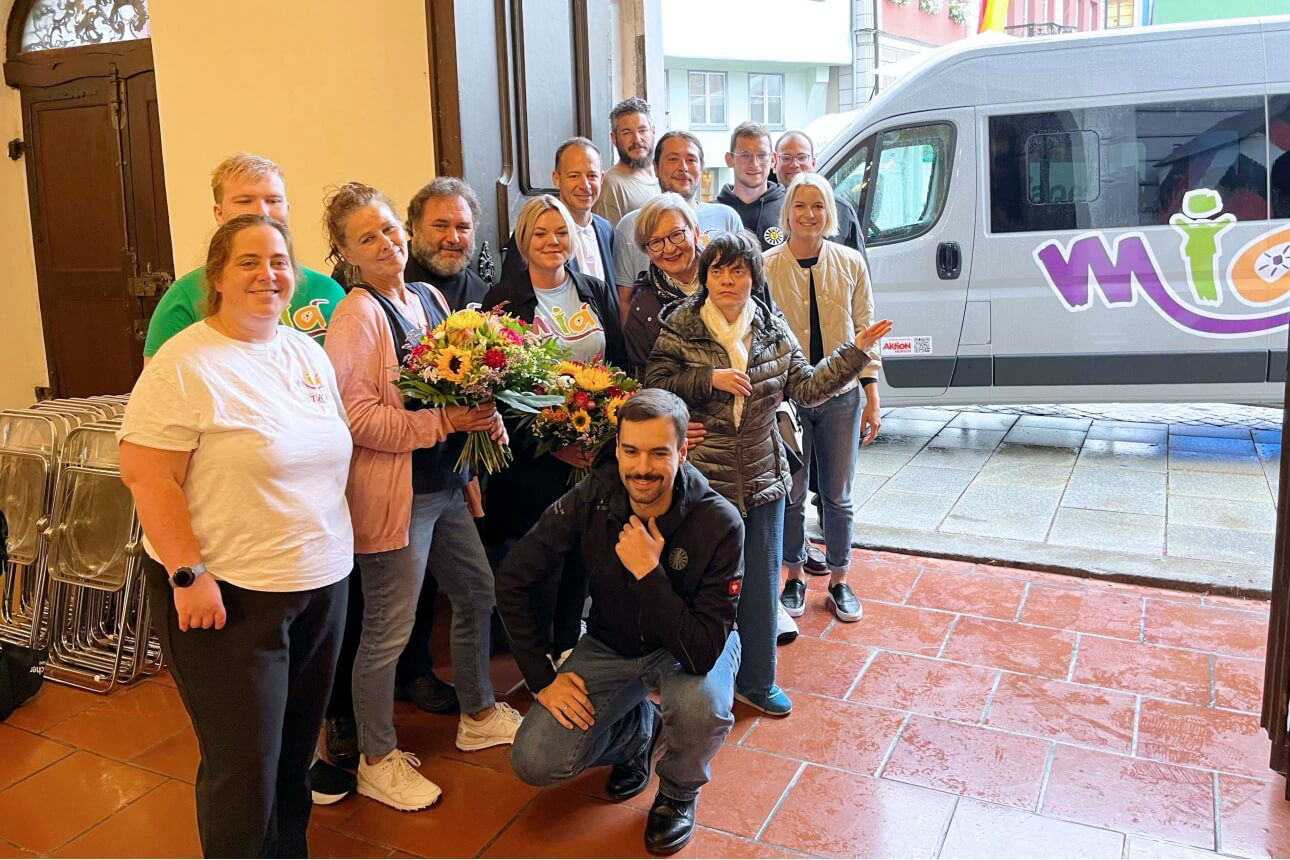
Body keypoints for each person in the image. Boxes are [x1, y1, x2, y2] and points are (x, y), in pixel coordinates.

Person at [119, 215, 353, 857]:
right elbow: (146, 475)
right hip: (228, 594)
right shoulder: (183, 363)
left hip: (318, 581)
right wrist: (187, 574)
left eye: (279, 261)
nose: (267, 274)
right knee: (244, 765)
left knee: (293, 753)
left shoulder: (306, 353)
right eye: (248, 261)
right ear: (217, 276)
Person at [322, 182, 521, 813]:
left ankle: (478, 715)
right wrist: (444, 424)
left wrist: (484, 414)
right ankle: (376, 760)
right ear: (344, 252)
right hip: (399, 498)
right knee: (387, 630)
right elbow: (352, 418)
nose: (386, 244)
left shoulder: (429, 297)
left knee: (476, 591)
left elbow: (458, 389)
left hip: (446, 487)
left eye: (388, 229)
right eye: (367, 237)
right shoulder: (357, 314)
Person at [645, 231, 891, 717]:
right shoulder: (680, 324)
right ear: (704, 275)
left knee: (760, 585)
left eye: (738, 270)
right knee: (695, 582)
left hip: (763, 475)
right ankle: (688, 682)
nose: (728, 280)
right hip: (701, 479)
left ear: (754, 276)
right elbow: (654, 384)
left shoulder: (774, 329)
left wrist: (856, 351)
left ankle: (757, 681)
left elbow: (808, 386)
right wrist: (706, 379)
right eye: (718, 270)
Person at [500, 389, 744, 856]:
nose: (642, 467)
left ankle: (677, 793)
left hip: (687, 646)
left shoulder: (720, 522)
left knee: (700, 706)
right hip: (611, 645)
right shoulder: (593, 497)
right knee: (534, 761)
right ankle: (638, 734)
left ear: (683, 451)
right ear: (617, 450)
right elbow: (513, 578)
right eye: (630, 451)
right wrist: (541, 679)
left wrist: (649, 573)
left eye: (659, 452)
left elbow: (701, 651)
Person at [482, 194, 626, 663]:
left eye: (560, 232)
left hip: (594, 447)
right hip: (533, 458)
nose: (552, 241)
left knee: (585, 551)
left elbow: (619, 365)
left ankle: (569, 643)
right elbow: (498, 388)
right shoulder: (503, 298)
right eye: (540, 233)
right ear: (523, 241)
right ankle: (537, 656)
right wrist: (552, 446)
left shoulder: (594, 290)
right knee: (542, 558)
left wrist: (602, 434)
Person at [765, 174, 882, 624]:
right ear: (787, 212)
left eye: (817, 205)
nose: (808, 214)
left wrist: (873, 395)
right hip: (788, 397)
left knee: (838, 495)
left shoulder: (851, 263)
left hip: (842, 396)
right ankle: (793, 575)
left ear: (829, 212)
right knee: (790, 493)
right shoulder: (767, 264)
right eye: (800, 205)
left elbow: (867, 334)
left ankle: (839, 580)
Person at [143, 153, 346, 361]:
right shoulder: (184, 296)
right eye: (245, 201)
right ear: (219, 213)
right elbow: (160, 383)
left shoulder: (329, 292)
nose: (262, 211)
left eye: (273, 200)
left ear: (286, 209)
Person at [613, 131, 742, 318]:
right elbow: (625, 302)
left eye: (691, 160)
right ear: (655, 167)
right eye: (673, 159)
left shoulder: (727, 217)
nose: (683, 167)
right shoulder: (630, 225)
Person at [501, 138, 615, 288]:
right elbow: (510, 295)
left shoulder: (606, 229)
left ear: (602, 178)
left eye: (591, 176)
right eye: (574, 176)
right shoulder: (531, 232)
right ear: (556, 178)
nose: (585, 185)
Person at [774, 130, 867, 257]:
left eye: (802, 157)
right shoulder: (764, 210)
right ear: (774, 161)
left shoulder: (841, 209)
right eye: (786, 157)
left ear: (813, 162)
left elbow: (859, 268)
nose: (794, 164)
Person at [717, 122, 786, 251]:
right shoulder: (714, 212)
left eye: (762, 155)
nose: (754, 163)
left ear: (773, 159)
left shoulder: (791, 210)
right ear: (729, 159)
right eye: (745, 155)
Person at [592, 97, 660, 226]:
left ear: (653, 131)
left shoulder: (666, 177)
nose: (637, 139)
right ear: (614, 138)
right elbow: (609, 244)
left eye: (643, 130)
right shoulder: (610, 185)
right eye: (627, 132)